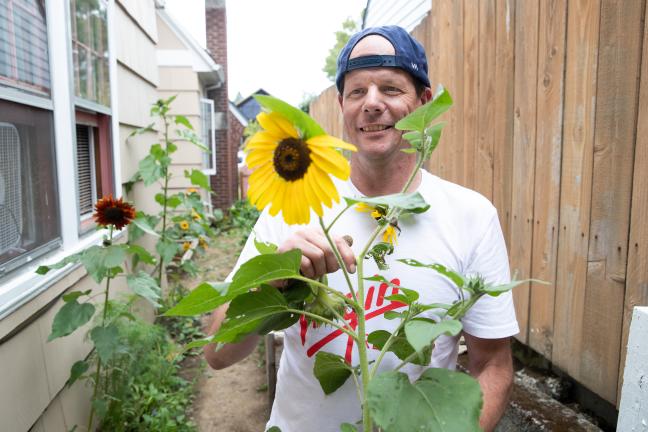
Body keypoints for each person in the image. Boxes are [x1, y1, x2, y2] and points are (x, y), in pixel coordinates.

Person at [204, 25, 518, 432]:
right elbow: (216, 352)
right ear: (342, 105)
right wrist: (274, 278)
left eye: (390, 89)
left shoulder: (471, 216)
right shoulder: (297, 203)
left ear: (424, 103)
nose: (372, 104)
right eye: (356, 91)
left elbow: (493, 365)